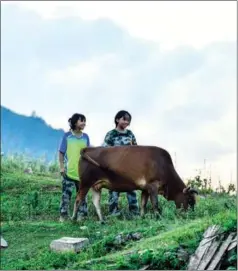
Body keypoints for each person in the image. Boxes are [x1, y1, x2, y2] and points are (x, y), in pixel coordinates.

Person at [102, 110, 140, 217]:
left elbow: (136, 150)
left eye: (128, 120)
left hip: (128, 168)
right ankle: (113, 212)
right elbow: (104, 150)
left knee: (131, 189)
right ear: (117, 119)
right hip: (114, 168)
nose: (126, 122)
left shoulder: (130, 134)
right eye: (124, 119)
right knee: (114, 190)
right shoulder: (111, 134)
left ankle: (134, 212)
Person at [58, 113, 90, 222]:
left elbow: (88, 153)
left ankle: (82, 216)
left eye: (84, 121)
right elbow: (61, 152)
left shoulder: (85, 137)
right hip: (69, 172)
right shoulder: (67, 136)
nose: (84, 123)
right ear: (75, 122)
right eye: (82, 121)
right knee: (66, 196)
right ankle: (63, 216)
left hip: (82, 172)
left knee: (82, 195)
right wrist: (62, 167)